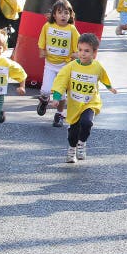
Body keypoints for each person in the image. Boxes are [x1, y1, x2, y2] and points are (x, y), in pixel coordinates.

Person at [51, 33, 118, 163]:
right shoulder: (71, 67)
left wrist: (110, 87)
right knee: (73, 131)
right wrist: (57, 97)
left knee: (86, 123)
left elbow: (103, 77)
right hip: (75, 104)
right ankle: (72, 149)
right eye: (80, 50)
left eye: (87, 51)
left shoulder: (97, 67)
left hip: (90, 103)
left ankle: (82, 143)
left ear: (94, 52)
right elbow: (61, 81)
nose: (82, 54)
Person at [36, 0, 80, 127]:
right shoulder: (47, 26)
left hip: (64, 66)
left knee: (60, 95)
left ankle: (59, 114)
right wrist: (41, 50)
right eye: (60, 12)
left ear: (70, 15)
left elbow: (78, 49)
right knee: (45, 90)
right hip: (50, 64)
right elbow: (41, 41)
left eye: (66, 13)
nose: (63, 15)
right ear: (54, 15)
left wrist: (75, 55)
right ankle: (44, 100)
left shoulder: (72, 29)